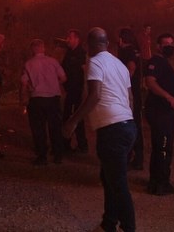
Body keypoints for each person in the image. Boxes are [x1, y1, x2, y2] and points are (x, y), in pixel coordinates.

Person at [63, 27, 136, 232]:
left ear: (89, 46)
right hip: (127, 125)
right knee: (109, 176)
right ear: (107, 44)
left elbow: (94, 95)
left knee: (118, 182)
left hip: (112, 129)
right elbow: (130, 98)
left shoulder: (94, 62)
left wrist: (73, 121)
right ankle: (109, 222)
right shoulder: (120, 65)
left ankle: (129, 227)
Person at [143, 32, 174, 195]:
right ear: (158, 46)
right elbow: (150, 82)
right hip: (160, 112)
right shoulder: (156, 62)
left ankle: (156, 181)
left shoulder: (164, 62)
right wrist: (168, 96)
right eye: (166, 44)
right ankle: (161, 184)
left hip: (165, 112)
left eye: (172, 43)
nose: (170, 46)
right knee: (163, 147)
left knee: (161, 147)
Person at [20, 38, 67, 165]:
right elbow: (63, 77)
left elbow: (24, 82)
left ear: (32, 49)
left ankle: (42, 156)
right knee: (55, 127)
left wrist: (24, 98)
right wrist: (53, 84)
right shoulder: (53, 61)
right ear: (43, 48)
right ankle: (58, 155)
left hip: (37, 98)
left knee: (38, 128)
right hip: (53, 98)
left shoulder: (28, 64)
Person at [117, 27, 144, 170]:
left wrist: (121, 84)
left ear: (122, 39)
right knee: (136, 124)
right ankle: (138, 157)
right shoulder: (135, 50)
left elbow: (131, 69)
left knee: (128, 124)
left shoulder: (127, 52)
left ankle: (129, 156)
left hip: (129, 93)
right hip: (136, 92)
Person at [61, 29, 89, 153]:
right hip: (70, 90)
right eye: (67, 37)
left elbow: (86, 72)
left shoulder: (82, 54)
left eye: (70, 37)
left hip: (78, 90)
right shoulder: (69, 53)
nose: (67, 40)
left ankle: (81, 144)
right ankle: (67, 143)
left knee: (76, 117)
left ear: (77, 39)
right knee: (67, 116)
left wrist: (85, 90)